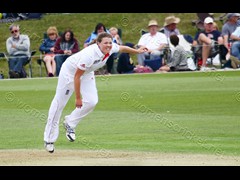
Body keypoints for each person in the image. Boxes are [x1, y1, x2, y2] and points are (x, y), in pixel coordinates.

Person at [43, 32, 148, 153]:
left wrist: (138, 51)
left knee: (92, 101)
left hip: (87, 73)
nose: (108, 45)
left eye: (110, 42)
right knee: (59, 104)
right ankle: (49, 139)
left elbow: (122, 48)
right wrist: (78, 98)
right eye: (105, 43)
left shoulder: (111, 47)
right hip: (70, 73)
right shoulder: (89, 55)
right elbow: (77, 77)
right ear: (98, 43)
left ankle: (70, 123)